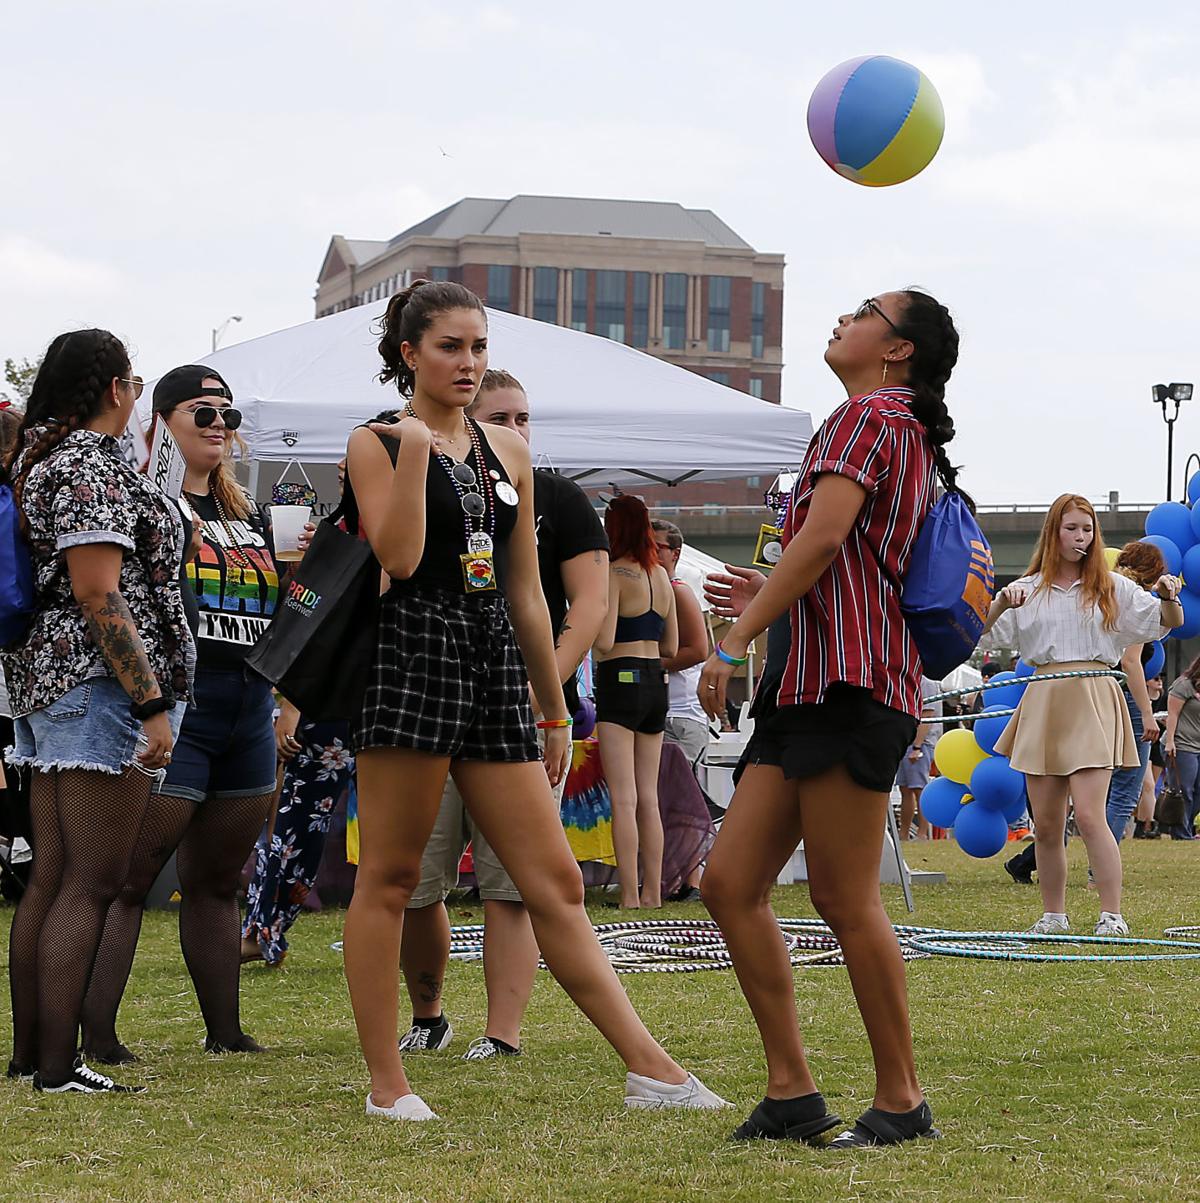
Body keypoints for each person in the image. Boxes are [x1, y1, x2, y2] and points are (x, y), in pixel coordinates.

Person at [343, 279, 725, 1121]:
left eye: (477, 346)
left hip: (494, 668)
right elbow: (400, 560)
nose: (469, 362)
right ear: (409, 354)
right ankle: (387, 1083)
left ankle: (652, 1068)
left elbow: (525, 593)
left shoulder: (508, 453)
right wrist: (413, 450)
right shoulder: (375, 441)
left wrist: (552, 709)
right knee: (395, 874)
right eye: (450, 346)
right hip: (410, 654)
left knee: (552, 878)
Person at [699, 290, 960, 1148]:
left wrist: (735, 637)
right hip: (820, 681)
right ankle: (792, 1092)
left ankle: (902, 1100)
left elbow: (820, 542)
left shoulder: (867, 418)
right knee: (730, 884)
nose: (842, 317)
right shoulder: (898, 425)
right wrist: (769, 604)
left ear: (899, 350)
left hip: (849, 683)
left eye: (864, 311)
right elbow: (841, 561)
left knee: (843, 896)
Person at [396, 367, 610, 1061]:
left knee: (514, 883)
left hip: (519, 713)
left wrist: (544, 689)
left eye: (524, 418)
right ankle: (428, 1014)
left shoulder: (557, 496)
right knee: (415, 878)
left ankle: (503, 1032)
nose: (515, 431)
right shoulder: (415, 470)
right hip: (431, 699)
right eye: (502, 419)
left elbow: (583, 605)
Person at [3, 329, 191, 1093]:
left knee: (53, 877)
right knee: (90, 879)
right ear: (116, 388)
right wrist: (150, 703)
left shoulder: (46, 458)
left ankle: (32, 1056)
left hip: (54, 681)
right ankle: (56, 1066)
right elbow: (99, 592)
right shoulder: (86, 464)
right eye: (137, 381)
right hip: (96, 684)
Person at [79, 366, 281, 1063]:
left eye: (229, 414)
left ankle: (225, 1032)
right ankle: (97, 1036)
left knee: (220, 880)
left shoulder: (249, 511)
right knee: (131, 878)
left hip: (249, 710)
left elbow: (286, 612)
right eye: (204, 413)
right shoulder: (143, 504)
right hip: (177, 709)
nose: (220, 424)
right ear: (164, 419)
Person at [983, 495, 1181, 936]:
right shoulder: (1029, 589)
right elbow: (982, 630)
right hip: (1044, 698)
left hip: (1093, 696)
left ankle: (1112, 914)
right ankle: (1053, 915)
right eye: (1072, 528)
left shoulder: (1113, 586)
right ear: (1054, 532)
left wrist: (1169, 596)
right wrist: (1001, 601)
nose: (1081, 538)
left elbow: (1163, 620)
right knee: (1048, 823)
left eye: (1087, 529)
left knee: (1091, 816)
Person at [242, 458, 355, 968]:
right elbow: (309, 627)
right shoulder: (328, 535)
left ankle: (389, 933)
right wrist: (292, 703)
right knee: (296, 830)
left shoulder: (414, 530)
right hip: (327, 709)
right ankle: (262, 931)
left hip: (387, 707)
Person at [593, 497, 678, 909]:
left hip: (618, 678)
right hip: (653, 682)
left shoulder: (614, 573)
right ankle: (653, 893)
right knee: (649, 795)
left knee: (623, 796)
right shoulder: (661, 575)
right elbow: (673, 645)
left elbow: (606, 640)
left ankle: (629, 894)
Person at [651, 519, 711, 902]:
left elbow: (698, 650)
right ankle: (671, 878)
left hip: (682, 714)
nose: (651, 552)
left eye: (658, 546)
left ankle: (693, 879)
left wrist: (646, 664)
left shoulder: (678, 592)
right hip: (658, 713)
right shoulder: (652, 591)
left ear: (675, 553)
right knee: (657, 799)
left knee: (681, 801)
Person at [1103, 542, 1166, 844]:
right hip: (1125, 698)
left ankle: (1029, 860)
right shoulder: (1137, 602)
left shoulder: (1105, 592)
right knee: (1126, 789)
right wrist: (1146, 712)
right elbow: (1130, 661)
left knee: (1089, 786)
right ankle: (1099, 870)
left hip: (1100, 694)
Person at [895, 678, 940, 840]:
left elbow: (927, 714)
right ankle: (904, 834)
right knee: (904, 789)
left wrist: (917, 746)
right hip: (906, 742)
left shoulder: (926, 681)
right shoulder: (912, 677)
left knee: (919, 789)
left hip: (920, 743)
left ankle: (922, 834)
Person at [1164, 655, 1200, 839]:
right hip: (1183, 744)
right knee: (1184, 790)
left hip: (1198, 746)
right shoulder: (1184, 685)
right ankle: (1180, 832)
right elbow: (1173, 714)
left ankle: (1186, 826)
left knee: (1198, 791)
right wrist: (1170, 741)